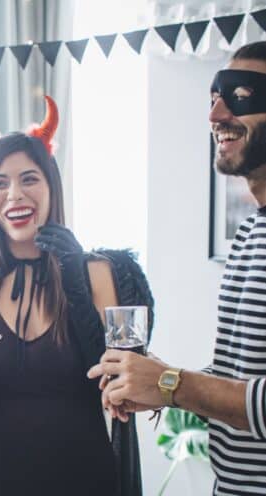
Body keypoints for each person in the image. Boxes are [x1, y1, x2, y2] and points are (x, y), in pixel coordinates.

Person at [0, 96, 154, 496]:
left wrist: (74, 283)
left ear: (52, 186)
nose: (14, 194)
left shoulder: (99, 273)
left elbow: (111, 385)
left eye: (29, 179)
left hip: (84, 481)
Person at [89, 41, 266, 495]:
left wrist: (173, 384)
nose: (215, 115)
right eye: (214, 98)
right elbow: (241, 381)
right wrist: (160, 381)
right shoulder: (251, 232)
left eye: (241, 95)